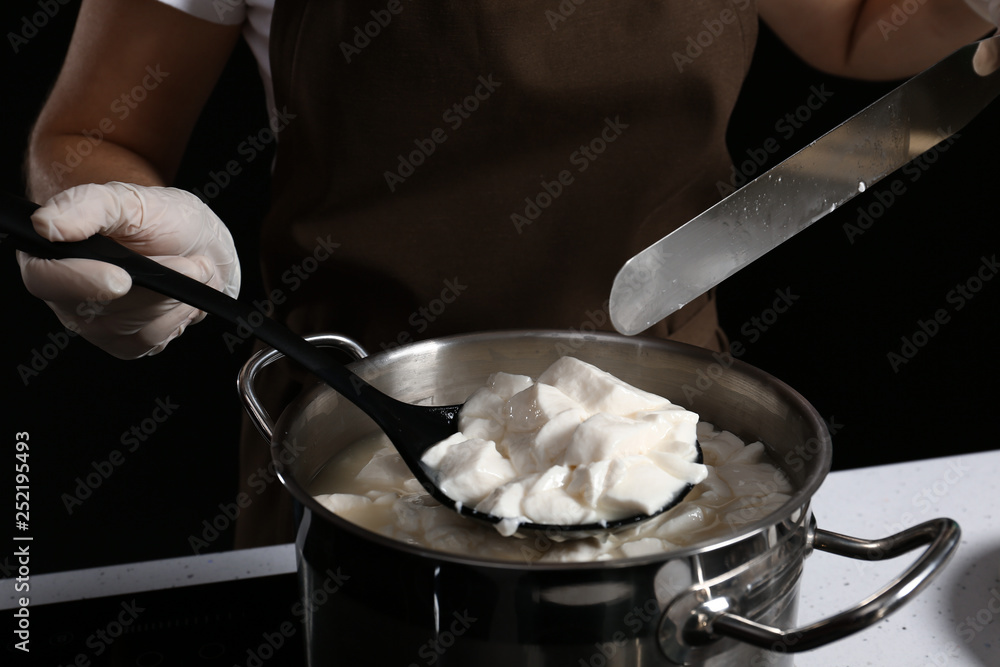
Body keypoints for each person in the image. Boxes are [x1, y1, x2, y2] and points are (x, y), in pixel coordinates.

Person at [17, 0, 996, 546]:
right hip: (357, 451)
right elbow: (93, 131)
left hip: (678, 442)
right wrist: (129, 234)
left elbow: (863, 24)